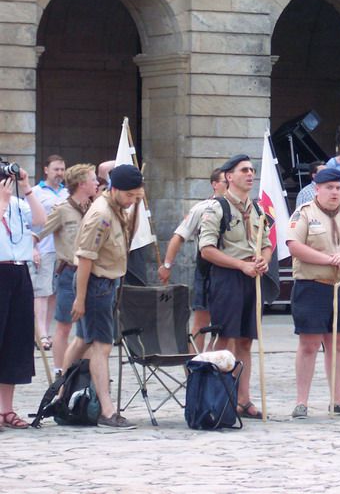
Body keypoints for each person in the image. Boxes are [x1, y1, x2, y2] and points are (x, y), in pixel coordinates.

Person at [63, 164, 144, 429]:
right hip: (96, 283)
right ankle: (107, 411)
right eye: (130, 195)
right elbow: (86, 257)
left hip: (105, 282)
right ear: (116, 189)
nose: (133, 201)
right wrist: (80, 298)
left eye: (137, 196)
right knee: (102, 345)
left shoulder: (117, 208)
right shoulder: (102, 214)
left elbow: (129, 234)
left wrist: (137, 206)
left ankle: (62, 395)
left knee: (81, 340)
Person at [286, 167, 340, 419]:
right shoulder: (304, 214)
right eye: (329, 188)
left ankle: (338, 399)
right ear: (317, 189)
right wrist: (327, 260)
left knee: (339, 343)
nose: (334, 192)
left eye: (337, 187)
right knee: (309, 343)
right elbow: (294, 246)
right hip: (312, 285)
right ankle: (302, 402)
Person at [198, 155, 272, 419]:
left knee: (246, 341)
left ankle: (243, 399)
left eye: (252, 170)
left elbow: (266, 242)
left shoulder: (259, 209)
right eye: (244, 170)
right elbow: (206, 250)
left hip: (252, 277)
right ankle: (212, 395)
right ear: (229, 176)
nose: (250, 174)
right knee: (223, 339)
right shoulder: (216, 208)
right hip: (227, 276)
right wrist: (240, 265)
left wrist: (264, 258)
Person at [33, 163, 98, 375]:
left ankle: (86, 371)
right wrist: (32, 249)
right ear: (82, 184)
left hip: (94, 275)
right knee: (64, 326)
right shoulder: (62, 210)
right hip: (69, 272)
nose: (97, 183)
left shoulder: (96, 209)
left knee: (89, 328)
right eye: (93, 179)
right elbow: (40, 232)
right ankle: (60, 371)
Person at [158, 168, 227, 352]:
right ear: (214, 184)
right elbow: (178, 236)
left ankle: (214, 366)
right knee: (201, 322)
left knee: (227, 327)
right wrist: (167, 265)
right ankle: (194, 367)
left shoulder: (242, 208)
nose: (228, 185)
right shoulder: (202, 208)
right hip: (207, 270)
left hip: (232, 271)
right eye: (224, 181)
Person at [0, 164, 46, 429]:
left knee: (16, 341)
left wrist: (27, 188)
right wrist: (2, 204)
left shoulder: (18, 202)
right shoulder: (6, 204)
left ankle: (7, 408)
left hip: (19, 272)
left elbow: (40, 220)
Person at [30, 154, 68, 351]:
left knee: (54, 292)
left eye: (62, 169)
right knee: (42, 292)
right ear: (46, 170)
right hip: (43, 248)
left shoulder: (66, 193)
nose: (59, 173)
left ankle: (47, 330)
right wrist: (33, 247)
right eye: (56, 169)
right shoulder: (35, 192)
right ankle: (41, 333)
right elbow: (29, 223)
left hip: (62, 250)